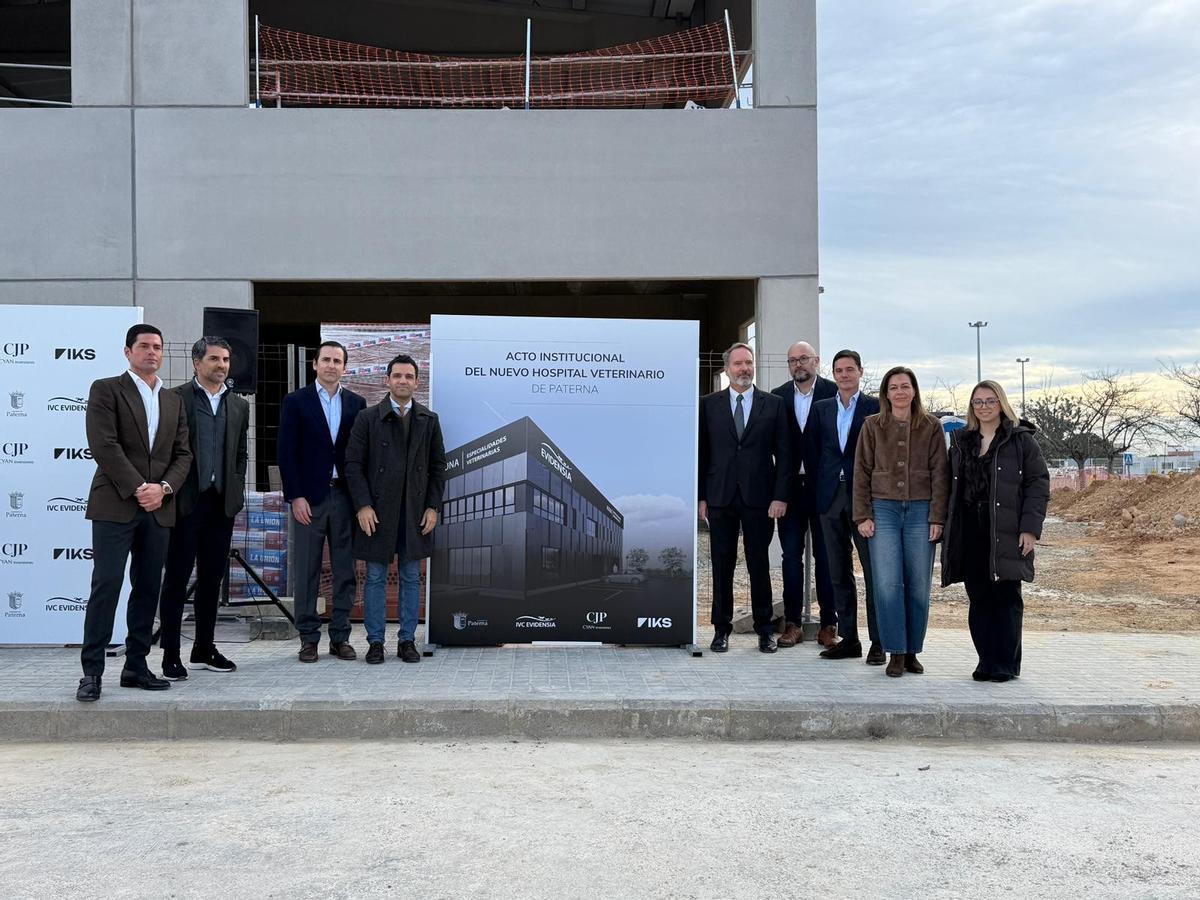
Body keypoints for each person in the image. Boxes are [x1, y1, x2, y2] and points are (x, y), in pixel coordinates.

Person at [75, 325, 193, 702]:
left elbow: (183, 454)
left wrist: (164, 489)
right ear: (128, 352)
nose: (152, 353)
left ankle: (136, 665)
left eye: (157, 347)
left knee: (147, 588)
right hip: (116, 503)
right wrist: (140, 487)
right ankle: (92, 672)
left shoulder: (173, 400)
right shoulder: (106, 389)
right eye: (144, 346)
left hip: (159, 508)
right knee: (106, 585)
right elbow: (103, 444)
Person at [942, 380, 1049, 682]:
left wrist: (1030, 529)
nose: (984, 406)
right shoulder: (962, 441)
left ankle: (1005, 663)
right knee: (978, 597)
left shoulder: (1021, 440)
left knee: (1005, 597)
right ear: (972, 406)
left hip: (1005, 528)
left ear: (1001, 403)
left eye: (990, 401)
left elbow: (1038, 485)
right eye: (978, 402)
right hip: (970, 527)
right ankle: (985, 660)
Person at [157, 337, 250, 680]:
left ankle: (204, 648)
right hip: (185, 504)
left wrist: (236, 488)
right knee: (177, 579)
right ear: (197, 363)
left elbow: (240, 453)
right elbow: (164, 450)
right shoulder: (174, 399)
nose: (221, 365)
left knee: (212, 579)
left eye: (225, 359)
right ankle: (170, 654)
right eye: (214, 359)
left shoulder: (238, 405)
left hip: (220, 505)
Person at [344, 354, 446, 664]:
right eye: (397, 376)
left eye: (408, 376)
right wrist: (362, 505)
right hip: (377, 511)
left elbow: (438, 466)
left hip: (414, 511)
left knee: (411, 576)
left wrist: (432, 507)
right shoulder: (368, 418)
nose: (403, 381)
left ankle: (406, 641)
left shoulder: (429, 420)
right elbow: (353, 464)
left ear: (417, 382)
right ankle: (375, 642)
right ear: (387, 380)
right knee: (374, 577)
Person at [853, 366, 949, 678]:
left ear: (914, 390)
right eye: (893, 387)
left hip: (921, 512)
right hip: (883, 511)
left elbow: (940, 473)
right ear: (886, 393)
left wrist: (938, 517)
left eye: (905, 386)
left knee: (918, 584)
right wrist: (863, 515)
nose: (899, 392)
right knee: (887, 583)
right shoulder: (872, 426)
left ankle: (912, 652)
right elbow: (861, 472)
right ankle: (895, 650)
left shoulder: (931, 426)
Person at [277, 340, 367, 663]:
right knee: (307, 570)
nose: (331, 365)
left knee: (345, 569)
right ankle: (308, 638)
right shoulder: (295, 402)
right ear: (314, 364)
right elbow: (286, 453)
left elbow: (360, 456)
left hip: (343, 496)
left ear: (345, 367)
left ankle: (340, 637)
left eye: (337, 360)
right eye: (325, 359)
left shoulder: (357, 403)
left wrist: (361, 501)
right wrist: (296, 496)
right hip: (309, 499)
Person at [698, 342, 790, 653]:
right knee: (722, 565)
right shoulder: (708, 405)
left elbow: (785, 455)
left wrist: (780, 496)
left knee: (758, 564)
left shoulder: (773, 404)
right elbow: (702, 454)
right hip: (720, 496)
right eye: (737, 364)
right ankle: (720, 629)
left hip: (760, 498)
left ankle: (765, 629)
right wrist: (701, 497)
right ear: (726, 370)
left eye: (748, 363)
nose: (744, 369)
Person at [808, 350, 884, 664]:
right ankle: (849, 639)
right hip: (829, 499)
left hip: (862, 499)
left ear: (860, 372)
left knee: (872, 572)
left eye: (849, 369)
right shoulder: (822, 409)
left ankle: (879, 642)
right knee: (838, 573)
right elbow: (813, 453)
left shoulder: (875, 408)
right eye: (838, 370)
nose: (843, 375)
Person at [771, 340, 838, 648]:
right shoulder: (777, 398)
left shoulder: (833, 393)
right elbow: (776, 450)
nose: (798, 364)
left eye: (803, 359)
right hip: (790, 491)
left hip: (824, 490)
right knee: (790, 557)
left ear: (816, 361)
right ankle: (793, 624)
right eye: (792, 360)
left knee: (826, 557)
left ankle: (829, 625)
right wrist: (778, 493)